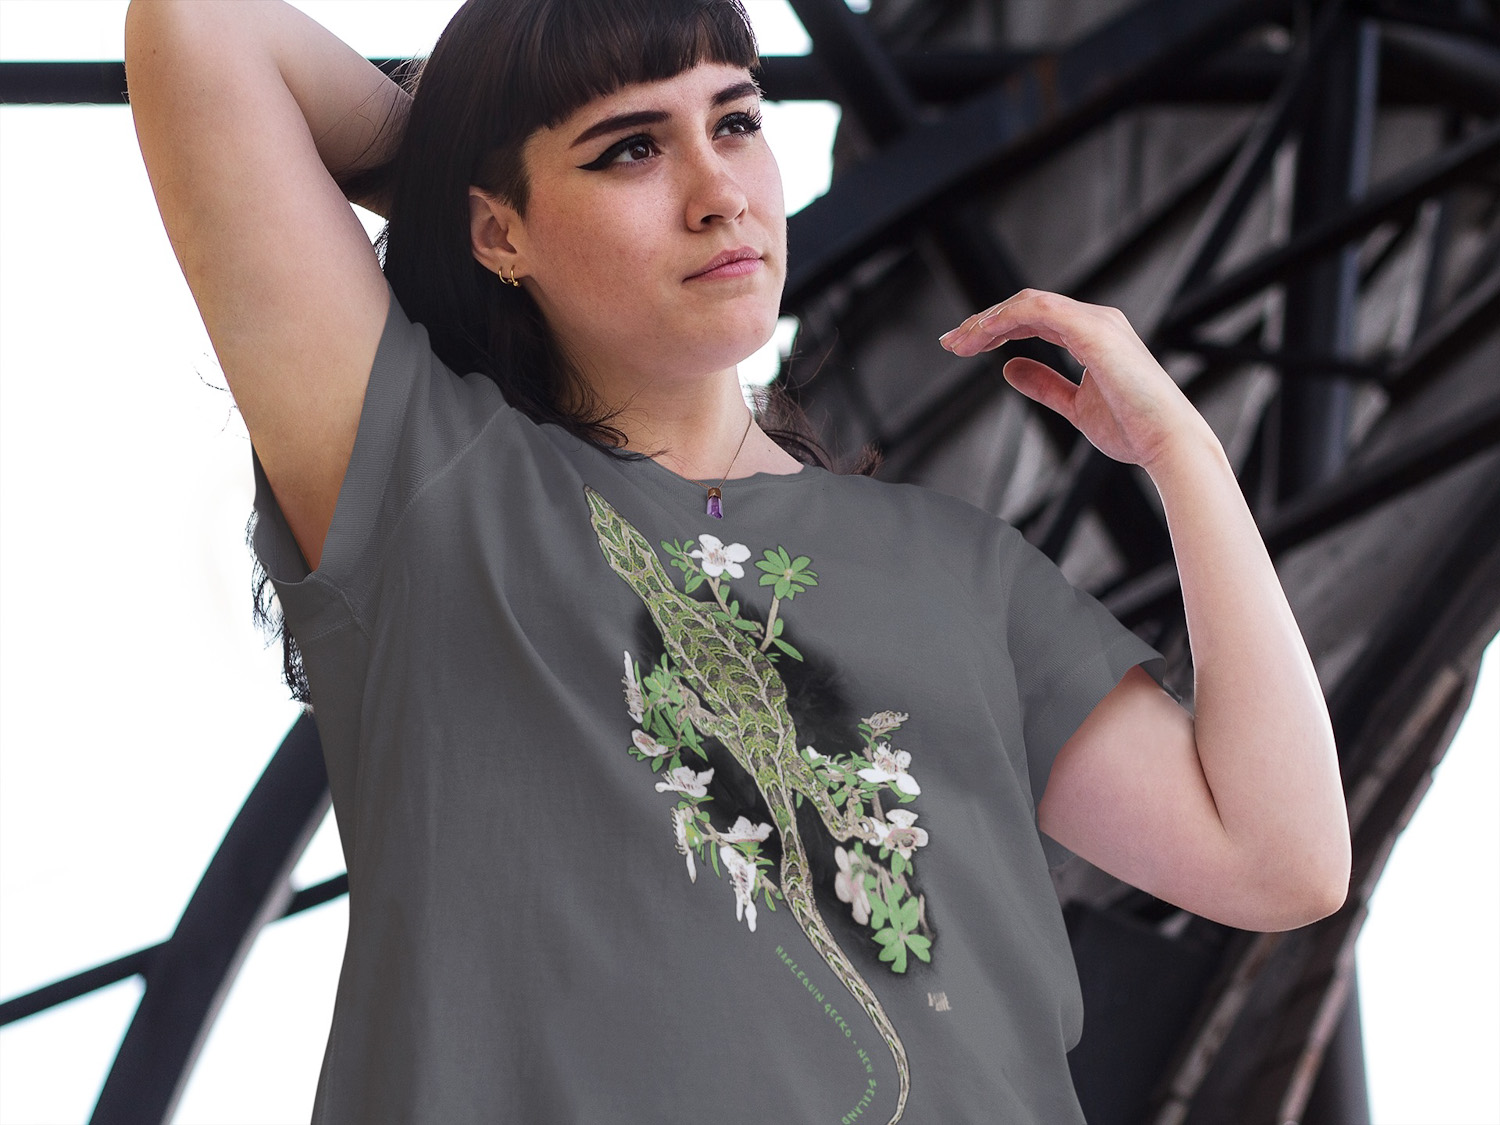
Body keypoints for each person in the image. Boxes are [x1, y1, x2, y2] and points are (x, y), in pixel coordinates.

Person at [124, 1, 1351, 1121]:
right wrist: (466, 173)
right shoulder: (437, 499)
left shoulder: (960, 568)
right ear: (498, 228)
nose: (719, 192)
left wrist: (1183, 452)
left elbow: (1279, 858)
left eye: (738, 120)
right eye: (630, 149)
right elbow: (198, 29)